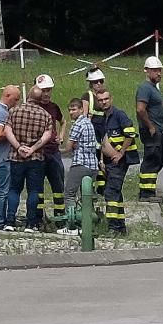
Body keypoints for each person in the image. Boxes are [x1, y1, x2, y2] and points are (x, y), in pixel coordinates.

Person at [4, 88, 53, 232]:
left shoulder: (14, 111)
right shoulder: (45, 115)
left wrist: (19, 147)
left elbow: (7, 131)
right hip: (35, 158)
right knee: (33, 191)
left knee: (14, 189)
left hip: (16, 157)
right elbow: (47, 136)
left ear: (29, 96)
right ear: (40, 98)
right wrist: (32, 149)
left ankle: (10, 222)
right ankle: (31, 223)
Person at [97, 89, 139, 235]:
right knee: (116, 193)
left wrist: (121, 153)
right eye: (101, 100)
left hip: (120, 161)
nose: (104, 102)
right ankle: (121, 227)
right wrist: (102, 160)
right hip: (109, 162)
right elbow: (103, 141)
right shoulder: (104, 118)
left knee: (111, 193)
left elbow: (130, 133)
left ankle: (114, 228)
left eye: (106, 99)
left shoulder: (119, 115)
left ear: (111, 99)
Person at [59, 98, 99, 236]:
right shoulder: (89, 123)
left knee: (69, 193)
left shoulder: (77, 125)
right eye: (70, 109)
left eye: (74, 109)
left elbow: (69, 147)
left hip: (80, 163)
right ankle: (87, 225)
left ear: (81, 109)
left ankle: (71, 225)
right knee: (86, 197)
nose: (71, 112)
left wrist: (59, 150)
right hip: (93, 165)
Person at [34, 74, 66, 225]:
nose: (46, 94)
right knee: (38, 187)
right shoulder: (33, 107)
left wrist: (60, 136)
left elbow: (63, 121)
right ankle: (38, 217)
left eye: (48, 90)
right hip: (39, 152)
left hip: (53, 151)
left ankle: (60, 216)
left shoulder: (54, 107)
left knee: (58, 185)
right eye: (43, 91)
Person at [0, 85, 20, 229]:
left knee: (4, 189)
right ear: (7, 96)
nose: (16, 102)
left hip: (0, 155)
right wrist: (11, 132)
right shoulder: (0, 113)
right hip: (2, 156)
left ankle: (1, 218)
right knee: (3, 190)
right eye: (15, 99)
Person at [136, 56, 163, 201]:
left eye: (159, 70)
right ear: (147, 71)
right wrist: (150, 126)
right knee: (151, 159)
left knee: (157, 158)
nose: (158, 73)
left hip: (157, 129)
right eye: (155, 70)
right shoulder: (145, 88)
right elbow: (140, 109)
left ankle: (148, 189)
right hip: (150, 131)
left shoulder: (153, 88)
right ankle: (146, 194)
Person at [82, 66, 108, 192]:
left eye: (101, 81)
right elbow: (84, 116)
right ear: (90, 83)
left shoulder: (104, 96)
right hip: (92, 131)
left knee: (103, 158)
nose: (99, 84)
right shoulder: (88, 96)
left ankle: (102, 187)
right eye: (95, 81)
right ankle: (89, 188)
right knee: (93, 159)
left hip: (103, 130)